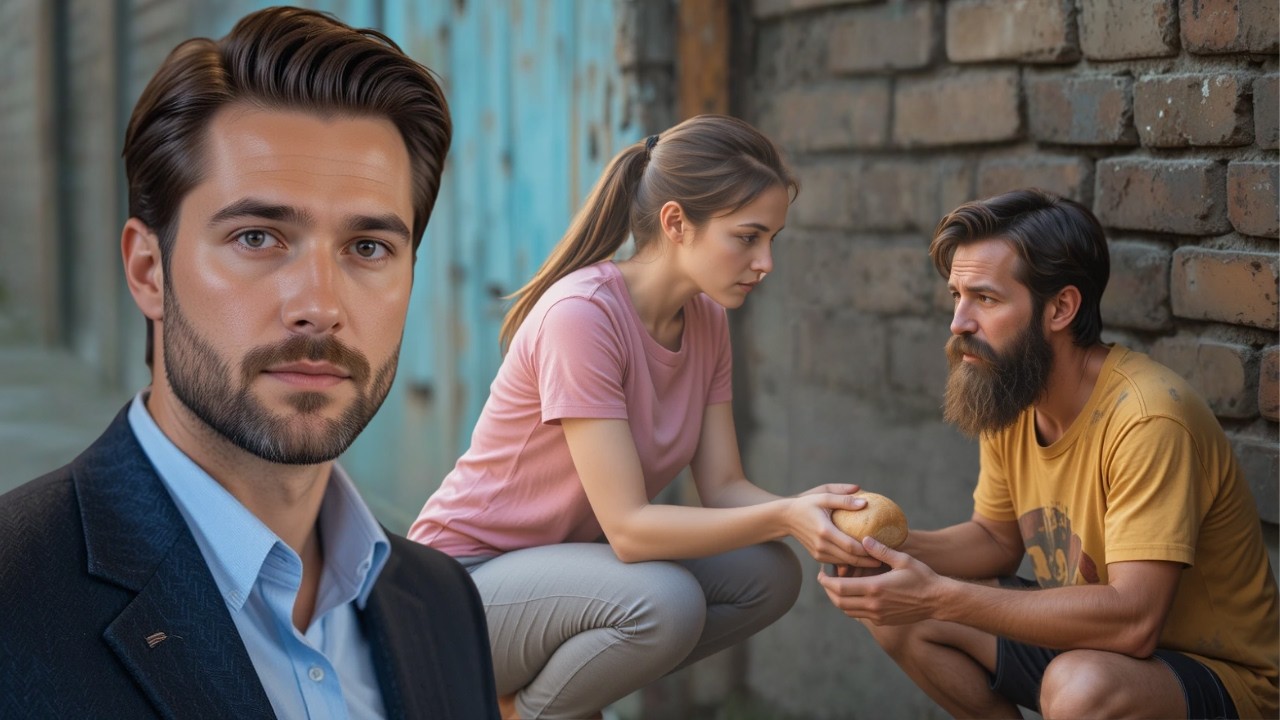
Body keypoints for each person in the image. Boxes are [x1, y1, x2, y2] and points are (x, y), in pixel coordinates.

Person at [0, 8, 498, 719]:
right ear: (149, 271)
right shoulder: (14, 600)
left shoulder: (444, 605)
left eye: (367, 248)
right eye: (259, 237)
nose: (319, 306)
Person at [409, 114, 869, 719]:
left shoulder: (706, 321)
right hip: (458, 592)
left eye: (772, 240)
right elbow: (628, 528)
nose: (765, 263)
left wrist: (813, 517)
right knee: (663, 602)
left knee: (768, 575)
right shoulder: (583, 316)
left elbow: (725, 487)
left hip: (566, 584)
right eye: (747, 237)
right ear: (677, 222)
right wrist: (784, 515)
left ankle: (545, 698)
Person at [818, 189, 1279, 719]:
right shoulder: (1013, 390)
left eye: (985, 299)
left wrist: (938, 595)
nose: (958, 322)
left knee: (1080, 686)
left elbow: (1134, 620)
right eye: (956, 296)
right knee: (898, 611)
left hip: (1219, 679)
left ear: (1061, 307)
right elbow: (995, 539)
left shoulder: (1148, 418)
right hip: (1095, 645)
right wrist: (878, 552)